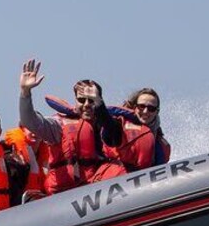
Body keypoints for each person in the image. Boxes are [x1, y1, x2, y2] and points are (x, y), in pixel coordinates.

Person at [18, 59, 127, 195]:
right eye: (81, 100)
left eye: (92, 100)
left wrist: (100, 105)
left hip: (101, 193)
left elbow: (114, 136)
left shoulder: (109, 126)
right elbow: (31, 122)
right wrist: (25, 92)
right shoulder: (59, 125)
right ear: (75, 101)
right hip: (67, 197)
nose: (87, 104)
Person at [111, 88, 171, 170]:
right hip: (114, 175)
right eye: (141, 106)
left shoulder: (159, 142)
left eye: (151, 109)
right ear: (135, 107)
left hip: (144, 179)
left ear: (157, 112)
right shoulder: (117, 124)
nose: (145, 111)